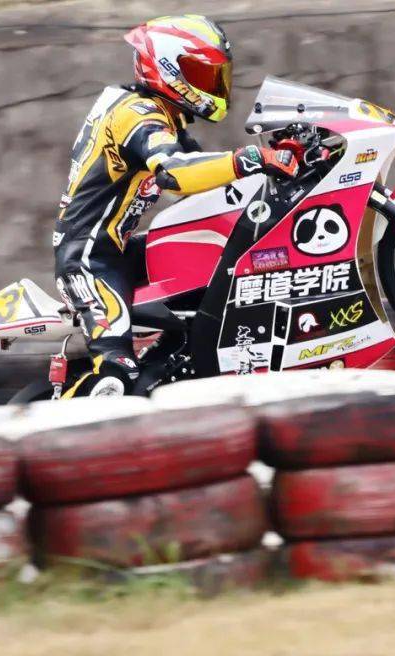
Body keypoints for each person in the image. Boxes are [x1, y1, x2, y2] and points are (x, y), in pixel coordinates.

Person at [53, 14, 299, 397]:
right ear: (167, 69)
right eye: (201, 74)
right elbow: (175, 174)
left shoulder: (162, 117)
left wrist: (284, 160)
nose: (213, 85)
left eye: (216, 75)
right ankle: (55, 424)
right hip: (88, 259)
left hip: (122, 251)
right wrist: (251, 158)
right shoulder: (136, 115)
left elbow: (207, 180)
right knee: (115, 375)